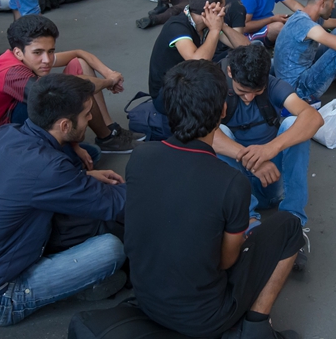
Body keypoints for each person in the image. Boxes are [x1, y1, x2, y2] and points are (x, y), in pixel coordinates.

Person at [125, 59, 304, 339]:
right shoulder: (232, 182)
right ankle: (256, 326)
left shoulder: (140, 157)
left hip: (146, 302)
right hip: (205, 318)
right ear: (222, 110)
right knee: (289, 225)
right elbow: (226, 261)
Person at [0, 74, 128, 327]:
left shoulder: (6, 134)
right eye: (86, 114)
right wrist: (161, 181)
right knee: (110, 250)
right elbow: (114, 203)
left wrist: (84, 176)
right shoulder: (48, 168)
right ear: (65, 125)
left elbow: (31, 181)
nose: (91, 118)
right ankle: (83, 282)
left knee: (73, 213)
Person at [213, 45, 323, 270]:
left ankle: (293, 222)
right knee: (217, 132)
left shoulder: (274, 86)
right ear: (231, 72)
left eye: (257, 90)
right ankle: (250, 225)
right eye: (243, 90)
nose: (249, 97)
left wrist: (270, 150)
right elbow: (204, 134)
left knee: (296, 124)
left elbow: (314, 118)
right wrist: (252, 160)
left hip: (270, 181)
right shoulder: (216, 85)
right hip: (237, 186)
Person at [0, 15, 139, 152]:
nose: (47, 60)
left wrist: (109, 73)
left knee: (78, 64)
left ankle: (109, 130)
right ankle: (103, 139)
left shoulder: (22, 57)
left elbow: (79, 53)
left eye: (51, 51)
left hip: (13, 116)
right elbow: (70, 90)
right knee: (72, 91)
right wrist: (108, 81)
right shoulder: (14, 74)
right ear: (18, 52)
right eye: (38, 52)